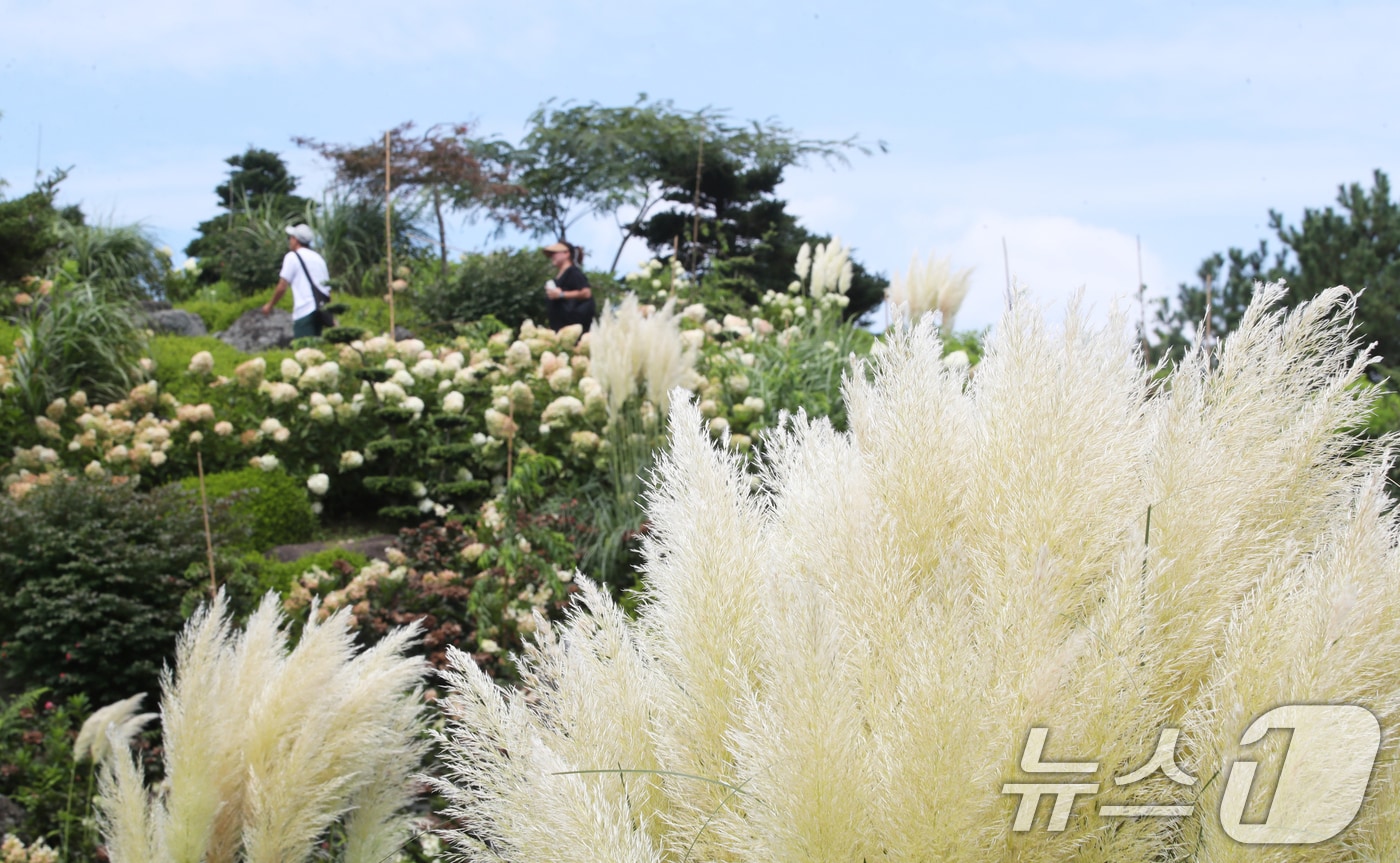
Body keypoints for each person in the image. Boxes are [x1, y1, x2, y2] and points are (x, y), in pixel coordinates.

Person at [262, 224, 332, 338]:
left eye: (291, 238)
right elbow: (328, 290)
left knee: (304, 351)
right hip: (321, 311)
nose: (290, 241)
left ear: (296, 240)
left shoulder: (292, 257)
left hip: (304, 311)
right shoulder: (319, 259)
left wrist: (270, 305)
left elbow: (282, 286)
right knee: (316, 352)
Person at [542, 241, 596, 332]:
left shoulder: (573, 272)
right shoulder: (559, 277)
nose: (552, 256)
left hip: (573, 329)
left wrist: (561, 294)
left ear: (566, 253)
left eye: (555, 253)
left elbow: (586, 293)